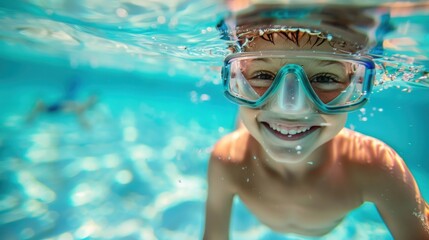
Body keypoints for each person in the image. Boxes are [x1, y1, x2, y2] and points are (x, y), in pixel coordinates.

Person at [203, 4, 429, 240]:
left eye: (324, 78)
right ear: (234, 79)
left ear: (356, 86)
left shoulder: (378, 167)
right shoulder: (227, 160)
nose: (291, 106)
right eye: (263, 75)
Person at [26, 77, 98, 128]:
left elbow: (83, 120)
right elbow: (83, 121)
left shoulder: (78, 105)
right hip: (64, 104)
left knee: (70, 95)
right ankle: (38, 105)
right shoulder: (79, 106)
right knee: (71, 96)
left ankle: (38, 105)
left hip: (65, 103)